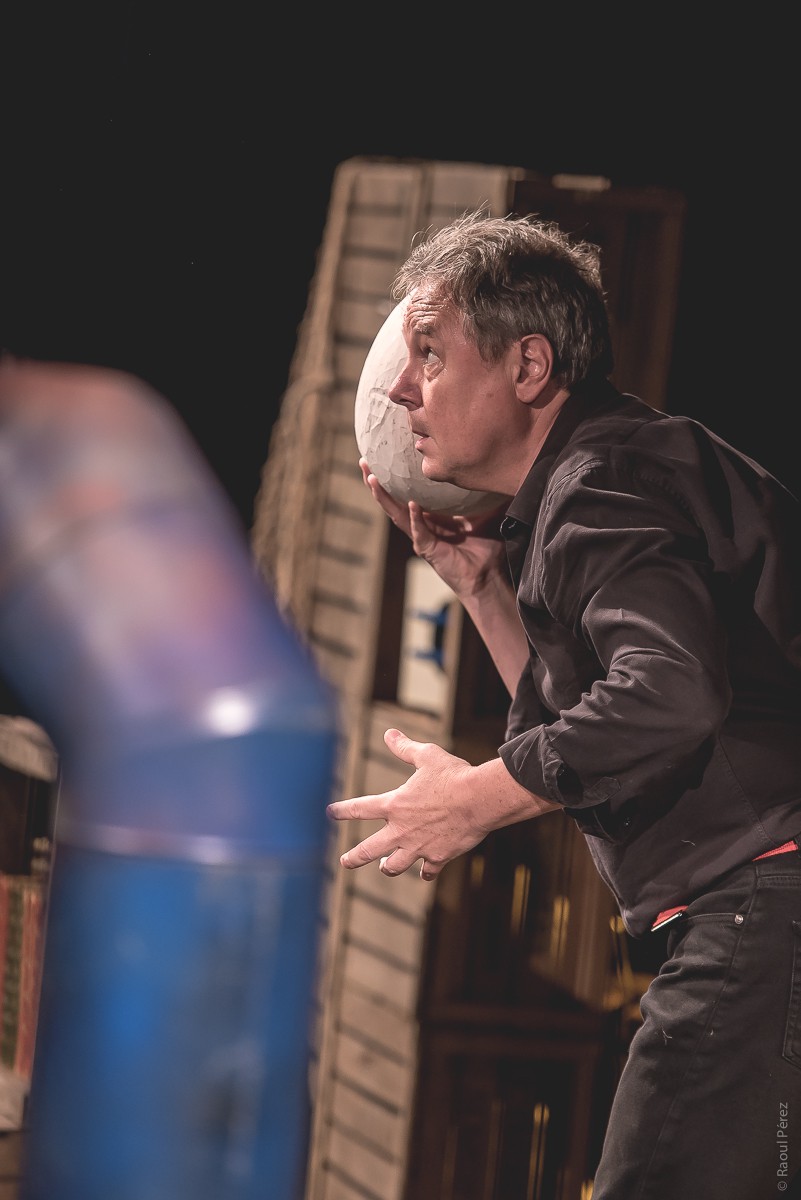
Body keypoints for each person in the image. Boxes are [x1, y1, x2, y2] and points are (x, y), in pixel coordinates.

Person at [325, 209, 801, 1198]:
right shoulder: (609, 474)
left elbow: (667, 696)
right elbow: (597, 727)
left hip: (765, 900)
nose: (401, 389)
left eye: (429, 353)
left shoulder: (598, 488)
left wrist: (477, 798)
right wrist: (480, 589)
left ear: (529, 366)